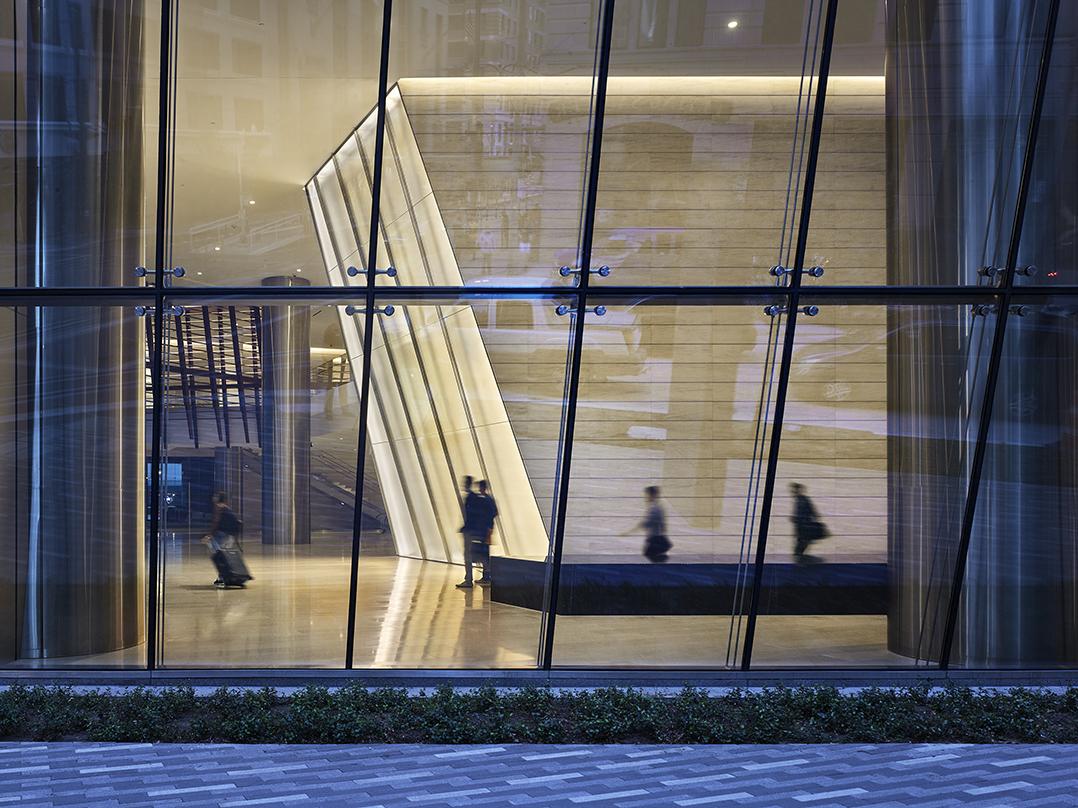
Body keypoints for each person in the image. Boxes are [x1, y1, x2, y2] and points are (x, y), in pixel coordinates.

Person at [202, 492, 252, 588]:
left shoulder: (218, 507)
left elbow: (216, 522)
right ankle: (225, 577)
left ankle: (222, 577)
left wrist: (209, 535)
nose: (214, 499)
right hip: (229, 536)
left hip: (221, 535)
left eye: (215, 497)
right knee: (224, 556)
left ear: (218, 499)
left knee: (220, 556)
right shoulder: (227, 508)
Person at [622, 485, 672, 562]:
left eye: (647, 495)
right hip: (658, 539)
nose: (646, 497)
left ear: (652, 495)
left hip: (655, 540)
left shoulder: (654, 508)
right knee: (655, 559)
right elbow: (663, 526)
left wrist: (629, 532)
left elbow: (645, 523)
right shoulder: (658, 507)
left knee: (650, 557)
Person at [456, 476, 484, 589]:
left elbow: (471, 516)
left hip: (470, 531)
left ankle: (468, 580)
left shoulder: (471, 498)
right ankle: (469, 578)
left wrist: (466, 527)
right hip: (472, 530)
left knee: (468, 555)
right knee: (470, 554)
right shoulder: (474, 497)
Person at [790, 482, 829, 563]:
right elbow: (813, 511)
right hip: (803, 526)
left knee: (801, 542)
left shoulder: (801, 500)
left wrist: (796, 519)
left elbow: (808, 512)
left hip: (803, 526)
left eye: (794, 490)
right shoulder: (801, 499)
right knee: (803, 542)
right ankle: (800, 558)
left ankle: (800, 560)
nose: (792, 492)